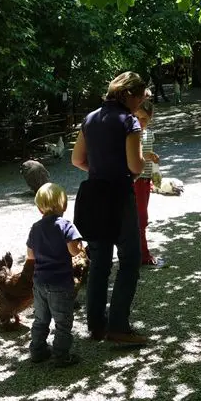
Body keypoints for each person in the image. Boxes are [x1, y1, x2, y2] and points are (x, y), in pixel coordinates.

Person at [71, 72, 150, 345]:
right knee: (129, 261)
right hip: (119, 196)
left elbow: (76, 159)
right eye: (139, 97)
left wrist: (100, 169)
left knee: (100, 263)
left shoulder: (90, 119)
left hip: (94, 195)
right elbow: (136, 167)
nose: (140, 103)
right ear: (129, 95)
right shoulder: (129, 122)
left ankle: (96, 326)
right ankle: (118, 326)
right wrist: (124, 172)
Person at [26, 183, 84, 367]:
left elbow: (30, 255)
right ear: (64, 206)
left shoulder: (35, 228)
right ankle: (61, 355)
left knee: (41, 319)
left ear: (39, 207)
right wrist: (80, 246)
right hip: (60, 283)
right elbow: (74, 251)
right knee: (63, 321)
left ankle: (37, 350)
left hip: (40, 282)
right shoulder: (66, 226)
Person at [134, 98, 162, 266]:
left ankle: (142, 252)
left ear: (150, 119)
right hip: (133, 179)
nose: (140, 122)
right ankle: (141, 253)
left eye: (144, 118)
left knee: (142, 217)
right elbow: (132, 157)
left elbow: (147, 155)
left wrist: (153, 164)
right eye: (137, 117)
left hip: (144, 180)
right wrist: (145, 157)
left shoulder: (149, 134)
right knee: (139, 217)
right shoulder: (130, 134)